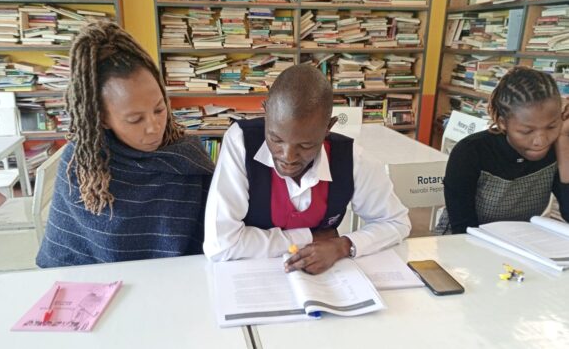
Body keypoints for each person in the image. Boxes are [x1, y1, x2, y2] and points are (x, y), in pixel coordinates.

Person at [36, 22, 215, 267]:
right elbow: (67, 263)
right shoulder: (83, 168)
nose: (154, 127)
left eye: (159, 109)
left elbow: (216, 243)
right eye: (135, 119)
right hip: (107, 292)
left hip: (183, 286)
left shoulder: (188, 159)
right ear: (103, 118)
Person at [204, 64, 411, 274]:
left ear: (327, 128)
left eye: (305, 146)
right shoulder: (241, 142)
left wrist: (342, 245)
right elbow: (220, 245)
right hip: (249, 277)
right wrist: (311, 237)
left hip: (324, 278)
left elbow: (397, 222)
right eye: (275, 139)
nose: (287, 156)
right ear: (266, 112)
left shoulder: (351, 159)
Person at [437, 66, 569, 235]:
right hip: (464, 242)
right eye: (526, 131)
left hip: (519, 242)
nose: (540, 141)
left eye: (551, 126)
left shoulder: (556, 148)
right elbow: (463, 228)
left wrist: (564, 140)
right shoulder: (471, 152)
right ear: (503, 123)